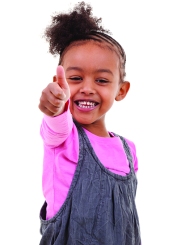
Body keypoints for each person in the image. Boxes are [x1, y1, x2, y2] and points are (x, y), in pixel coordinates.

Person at [38, 1, 141, 244]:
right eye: (75, 78)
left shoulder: (129, 151)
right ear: (59, 82)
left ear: (121, 90)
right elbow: (55, 119)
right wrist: (54, 105)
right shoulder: (62, 137)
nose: (87, 88)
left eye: (102, 80)